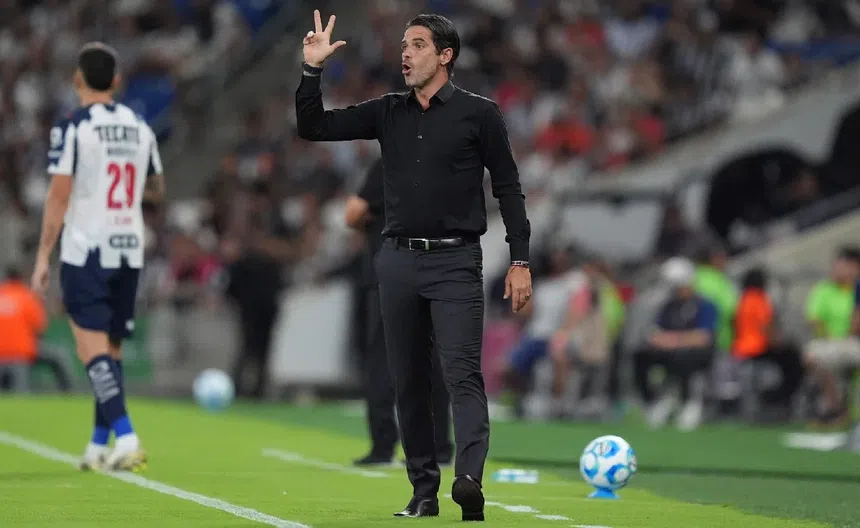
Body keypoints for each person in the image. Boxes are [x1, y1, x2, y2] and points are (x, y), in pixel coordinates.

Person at [297, 10, 531, 521]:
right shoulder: (388, 112)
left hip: (456, 260)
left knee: (461, 373)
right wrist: (312, 69)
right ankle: (423, 491)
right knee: (407, 381)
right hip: (398, 261)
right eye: (404, 44)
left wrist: (520, 259)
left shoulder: (480, 114)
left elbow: (509, 189)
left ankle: (468, 479)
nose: (405, 53)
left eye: (418, 45)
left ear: (445, 55)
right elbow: (313, 126)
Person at [31, 43, 165, 471]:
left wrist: (43, 256)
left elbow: (58, 196)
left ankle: (127, 438)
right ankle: (97, 445)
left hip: (87, 246)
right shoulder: (140, 126)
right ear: (117, 81)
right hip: (129, 247)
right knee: (111, 349)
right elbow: (157, 188)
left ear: (77, 79)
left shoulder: (74, 126)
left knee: (90, 349)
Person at [344, 158, 453, 466]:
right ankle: (438, 446)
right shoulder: (442, 164)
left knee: (383, 359)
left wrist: (370, 220)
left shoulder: (389, 162)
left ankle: (383, 444)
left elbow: (352, 213)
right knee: (430, 361)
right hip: (431, 268)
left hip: (389, 270)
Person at [634, 257, 717, 431]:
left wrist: (675, 340)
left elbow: (703, 336)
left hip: (695, 354)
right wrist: (663, 339)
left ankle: (688, 401)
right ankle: (655, 400)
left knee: (683, 357)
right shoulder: (669, 306)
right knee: (640, 355)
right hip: (670, 351)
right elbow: (655, 332)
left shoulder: (705, 305)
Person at [803, 247, 860, 425]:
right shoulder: (824, 289)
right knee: (812, 354)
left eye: (842, 266)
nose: (836, 270)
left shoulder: (856, 289)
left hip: (854, 342)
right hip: (833, 342)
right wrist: (828, 337)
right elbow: (814, 319)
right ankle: (835, 407)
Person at [731, 267, 802, 409]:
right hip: (757, 347)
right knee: (792, 358)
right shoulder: (759, 299)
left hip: (740, 347)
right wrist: (780, 341)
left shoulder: (743, 299)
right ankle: (783, 396)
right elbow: (766, 327)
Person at [0, 266, 47, 393]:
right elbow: (40, 328)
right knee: (20, 395)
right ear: (21, 278)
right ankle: (68, 392)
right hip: (20, 354)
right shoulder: (27, 297)